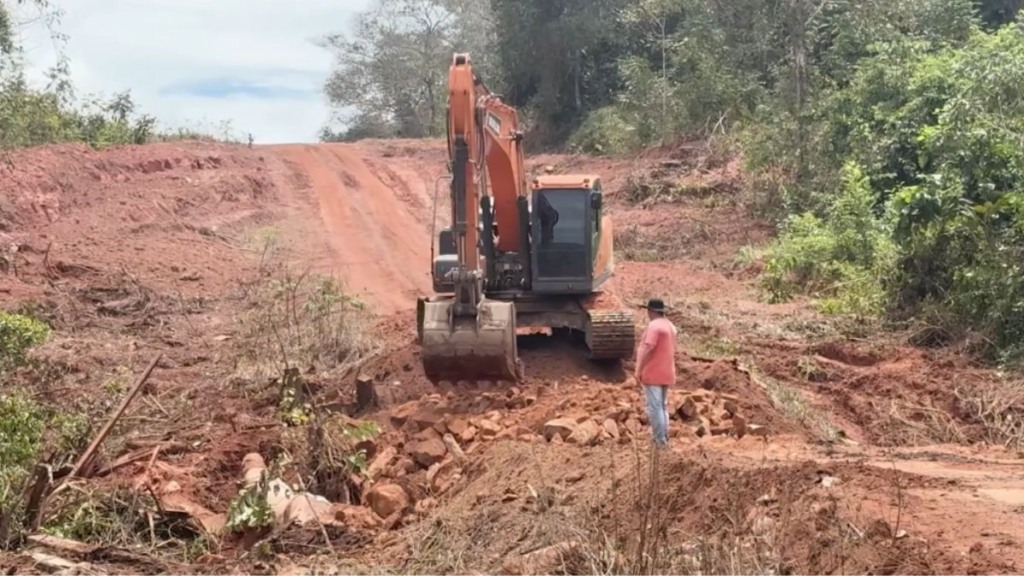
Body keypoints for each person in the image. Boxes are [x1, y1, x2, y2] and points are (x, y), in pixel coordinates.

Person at [634, 298, 677, 446]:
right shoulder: (670, 326)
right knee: (663, 406)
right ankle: (663, 436)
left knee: (654, 407)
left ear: (651, 311)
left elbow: (649, 347)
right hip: (667, 371)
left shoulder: (654, 326)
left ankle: (659, 441)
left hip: (653, 372)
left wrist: (639, 369)